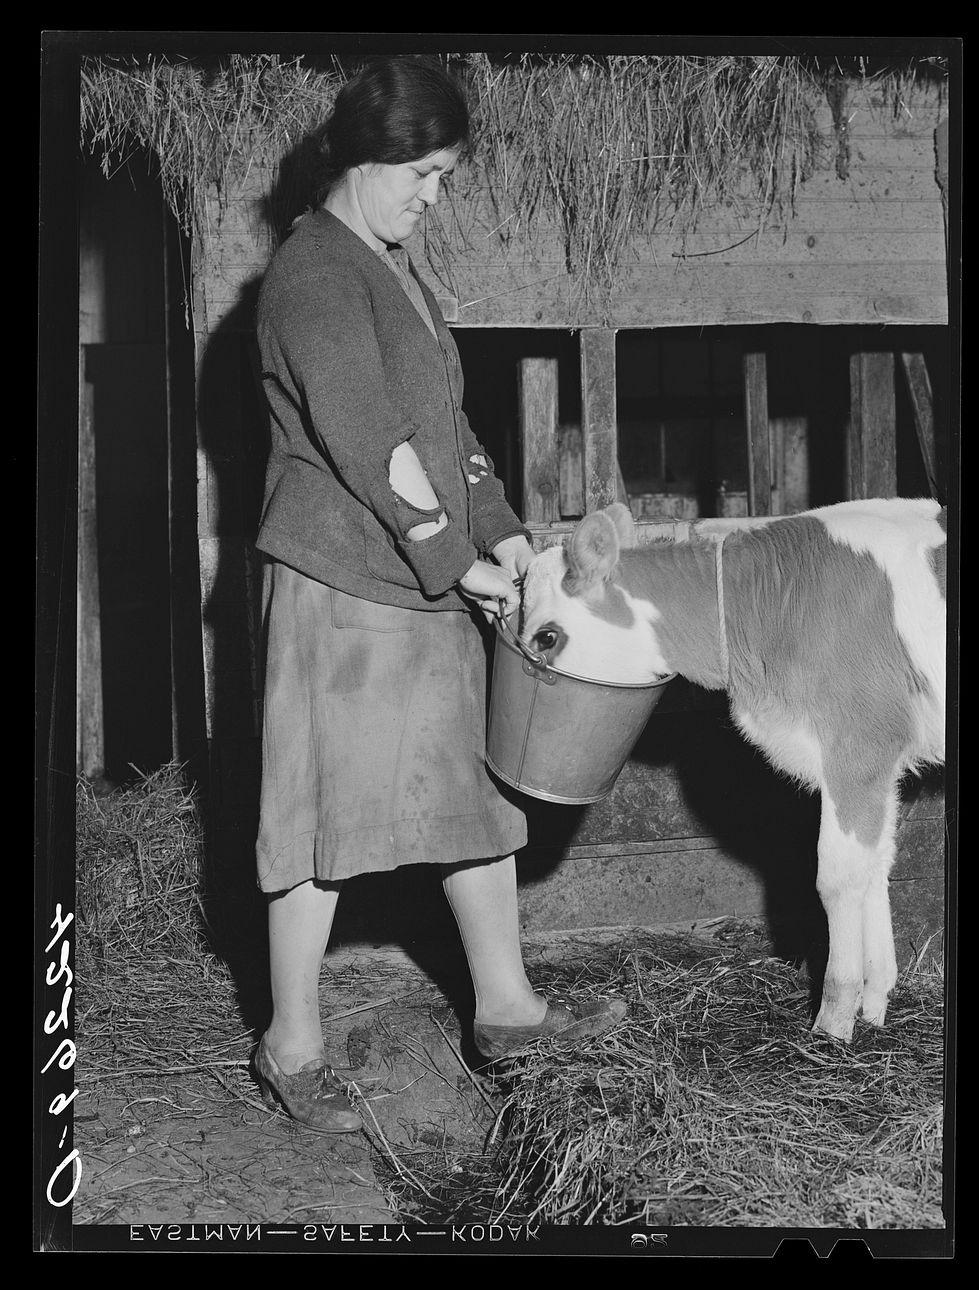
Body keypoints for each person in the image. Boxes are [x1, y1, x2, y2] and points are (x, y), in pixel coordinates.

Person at [251, 55, 626, 1133]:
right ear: (362, 159)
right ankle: (291, 1043)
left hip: (415, 580)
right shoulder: (315, 273)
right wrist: (457, 563)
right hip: (341, 589)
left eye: (443, 175)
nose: (431, 195)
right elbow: (369, 442)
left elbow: (446, 434)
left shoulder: (390, 268)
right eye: (419, 171)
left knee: (473, 797)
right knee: (319, 822)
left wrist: (503, 537)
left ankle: (505, 1009)